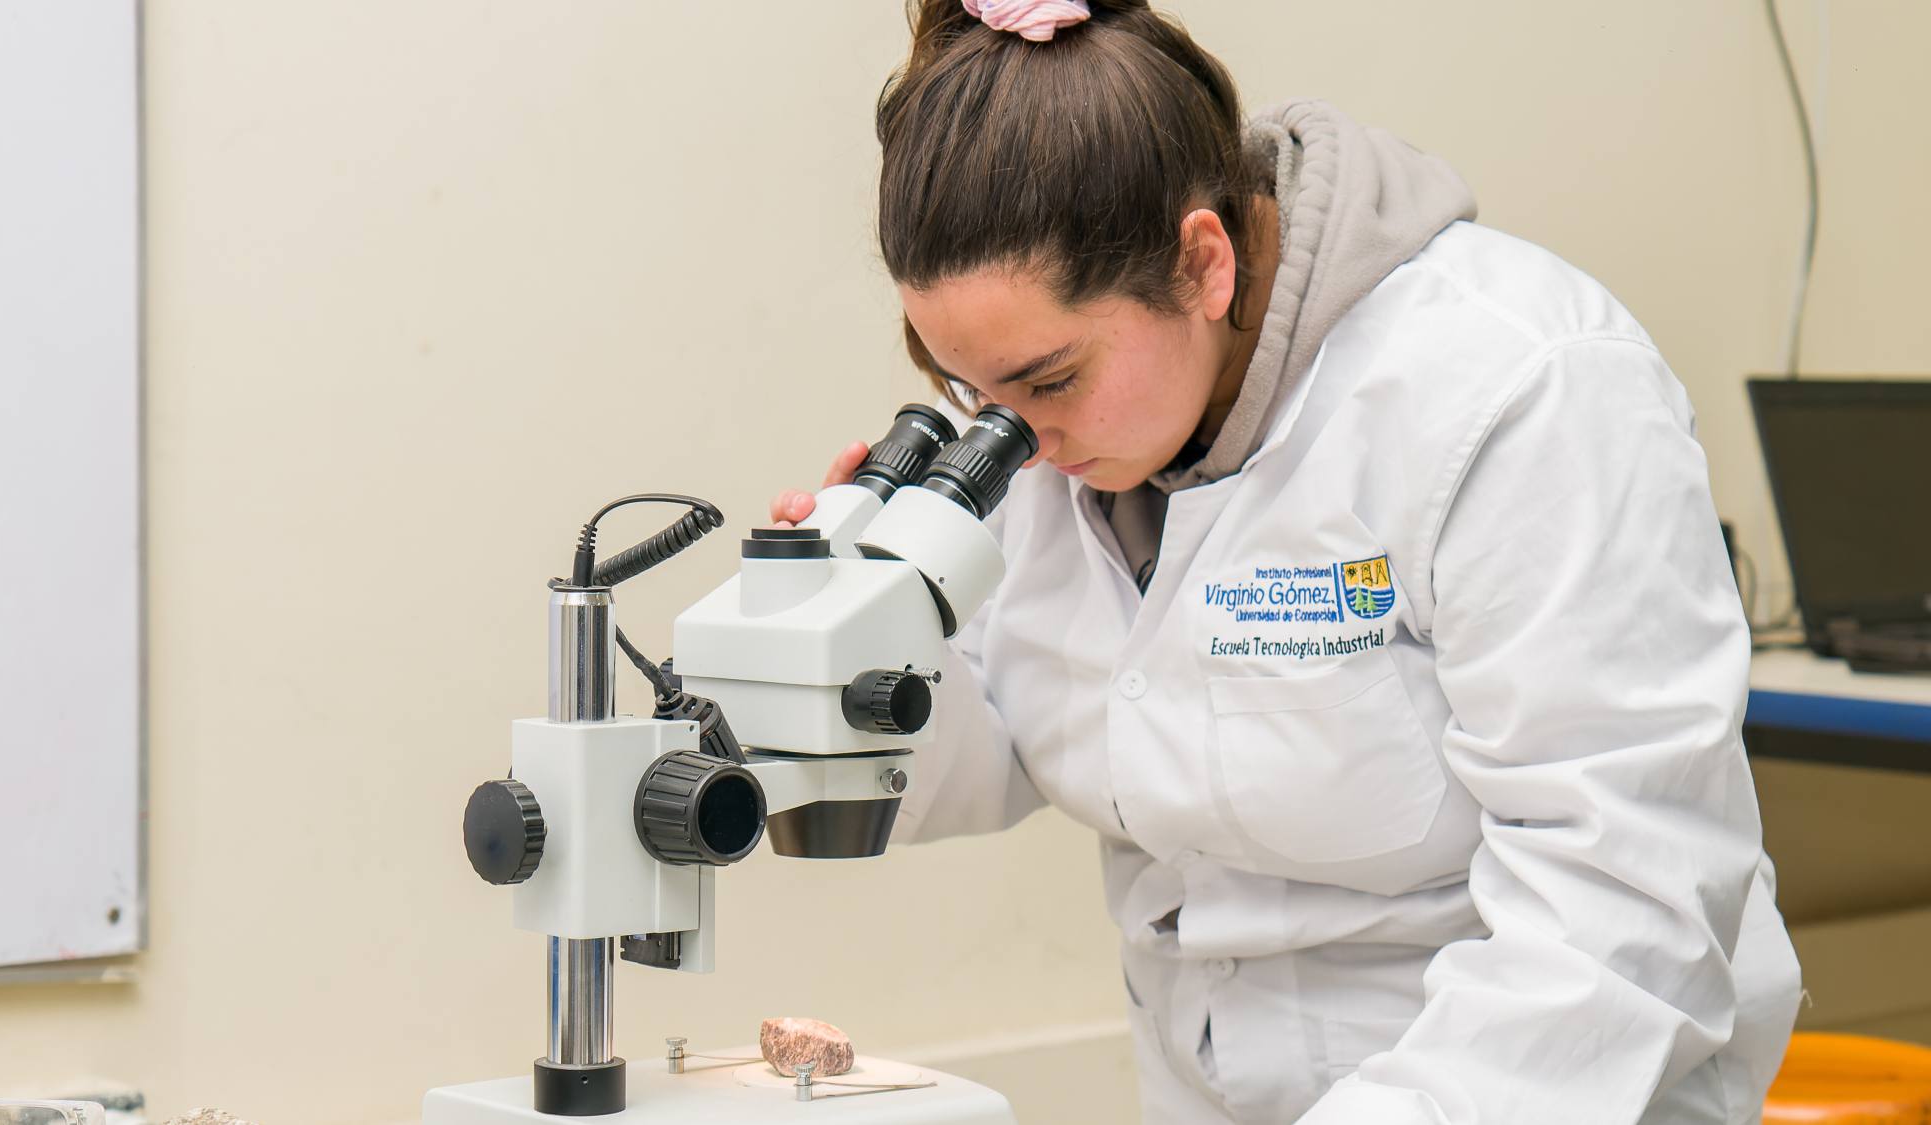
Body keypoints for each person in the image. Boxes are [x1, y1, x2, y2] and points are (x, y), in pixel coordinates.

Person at [772, 1, 1803, 1121]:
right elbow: (1009, 738)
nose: (1015, 442)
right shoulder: (1072, 444)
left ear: (1202, 263)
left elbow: (1624, 901)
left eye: (1046, 382)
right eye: (972, 395)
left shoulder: (1517, 386)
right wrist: (849, 644)